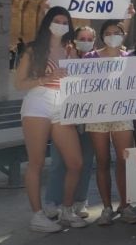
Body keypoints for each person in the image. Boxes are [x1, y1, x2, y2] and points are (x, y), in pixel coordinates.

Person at [16, 5, 88, 232]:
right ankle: (37, 216)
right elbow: (18, 84)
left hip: (64, 104)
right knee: (36, 162)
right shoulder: (33, 50)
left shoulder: (71, 49)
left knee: (75, 162)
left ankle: (67, 210)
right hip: (38, 102)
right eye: (57, 20)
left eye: (66, 22)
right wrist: (45, 79)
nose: (62, 25)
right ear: (48, 22)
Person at [82, 20, 136, 225]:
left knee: (124, 160)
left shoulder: (131, 58)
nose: (112, 35)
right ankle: (106, 207)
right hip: (97, 114)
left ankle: (125, 205)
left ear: (123, 34)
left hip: (122, 114)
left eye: (116, 32)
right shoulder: (90, 57)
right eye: (108, 33)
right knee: (102, 161)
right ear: (102, 36)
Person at [41, 25, 97, 222]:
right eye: (82, 37)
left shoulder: (99, 59)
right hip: (64, 116)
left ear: (94, 41)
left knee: (86, 161)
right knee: (59, 162)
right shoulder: (64, 56)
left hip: (90, 117)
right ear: (74, 39)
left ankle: (79, 200)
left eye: (89, 38)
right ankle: (52, 202)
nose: (85, 41)